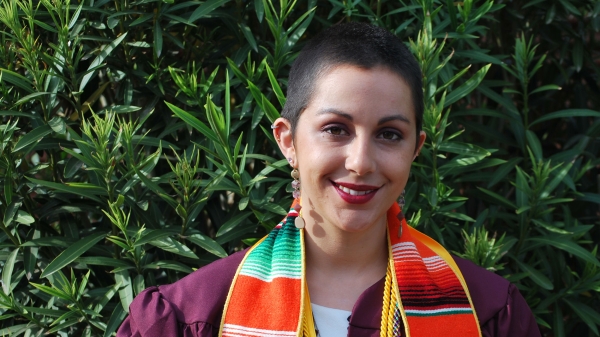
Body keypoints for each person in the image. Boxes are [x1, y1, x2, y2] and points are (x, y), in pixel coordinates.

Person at [117, 22, 541, 337]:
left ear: (416, 149)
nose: (360, 162)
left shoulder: (488, 313)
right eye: (336, 129)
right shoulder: (191, 316)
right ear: (288, 141)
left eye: (389, 134)